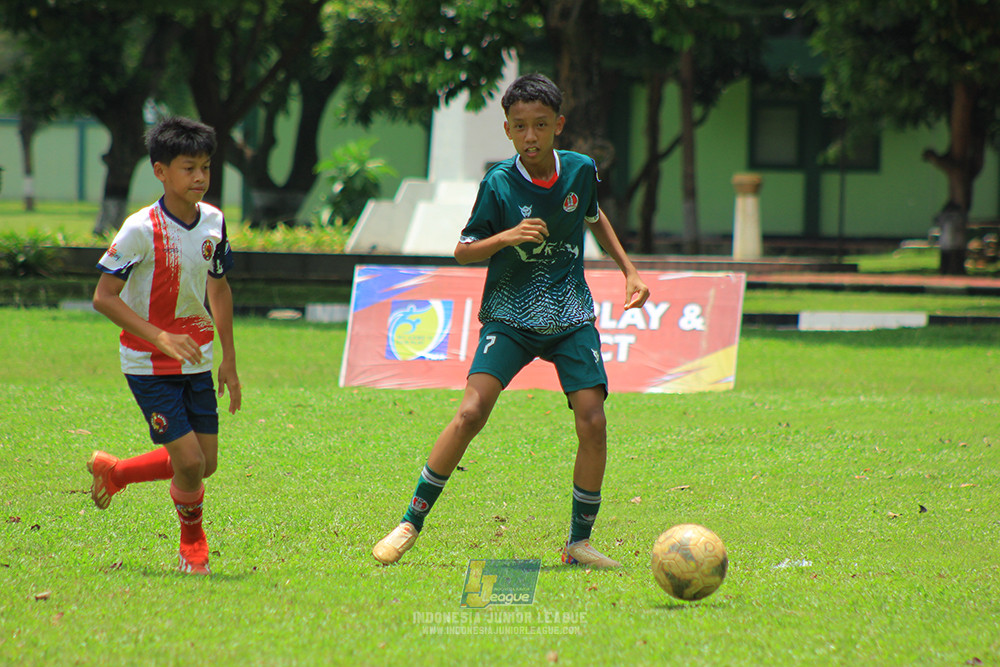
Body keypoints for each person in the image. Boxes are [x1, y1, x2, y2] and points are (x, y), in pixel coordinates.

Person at [373, 73, 650, 568]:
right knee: (470, 413)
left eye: (540, 125)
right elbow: (463, 250)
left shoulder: (582, 170)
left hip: (569, 312)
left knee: (593, 418)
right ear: (507, 130)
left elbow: (594, 216)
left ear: (558, 125)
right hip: (510, 315)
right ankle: (409, 523)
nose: (530, 136)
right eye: (520, 126)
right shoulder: (498, 182)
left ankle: (579, 543)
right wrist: (508, 237)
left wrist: (629, 271)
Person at [88, 116, 241, 575]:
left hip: (198, 360)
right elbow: (102, 297)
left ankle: (115, 473)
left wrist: (229, 361)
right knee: (189, 461)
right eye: (188, 168)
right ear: (160, 171)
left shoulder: (213, 220)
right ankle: (192, 545)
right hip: (148, 362)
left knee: (204, 463)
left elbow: (219, 287)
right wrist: (159, 336)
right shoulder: (139, 228)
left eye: (206, 168)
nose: (199, 178)